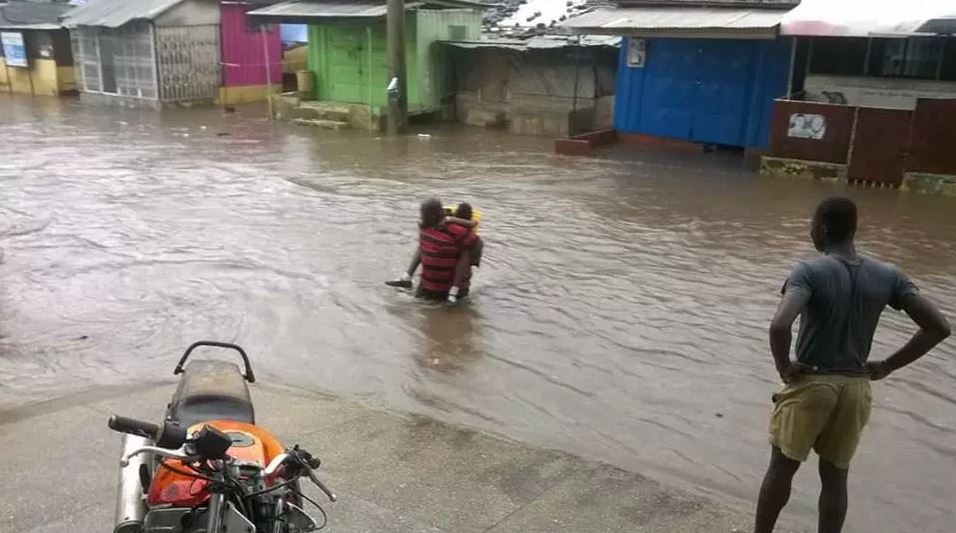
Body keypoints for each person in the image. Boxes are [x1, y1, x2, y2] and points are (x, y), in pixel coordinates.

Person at [754, 197, 950, 533]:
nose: (811, 232)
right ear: (853, 230)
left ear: (824, 228)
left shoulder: (809, 271)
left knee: (782, 467)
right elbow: (939, 327)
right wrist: (887, 365)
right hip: (856, 388)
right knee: (835, 476)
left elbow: (780, 325)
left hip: (812, 383)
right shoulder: (888, 275)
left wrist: (784, 367)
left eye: (813, 225)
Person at [386, 199, 478, 307]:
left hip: (450, 288)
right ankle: (407, 277)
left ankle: (452, 291)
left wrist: (454, 291)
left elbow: (464, 260)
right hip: (428, 285)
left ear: (432, 217)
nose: (422, 218)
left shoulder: (457, 231)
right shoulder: (425, 227)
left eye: (424, 215)